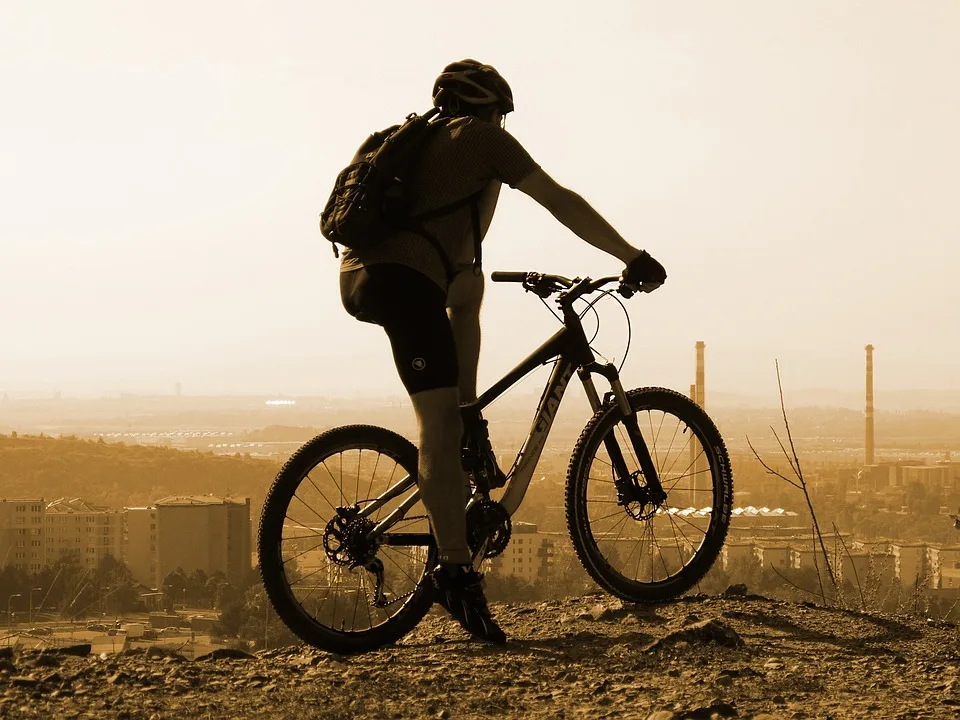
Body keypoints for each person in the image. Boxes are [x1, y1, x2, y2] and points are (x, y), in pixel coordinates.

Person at [339, 59, 667, 644]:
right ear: (490, 110)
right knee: (435, 431)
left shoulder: (408, 142)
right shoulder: (482, 140)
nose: (507, 125)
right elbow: (559, 199)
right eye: (504, 114)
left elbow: (464, 282)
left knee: (469, 291)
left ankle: (468, 417)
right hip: (404, 282)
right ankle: (456, 574)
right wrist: (630, 255)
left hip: (369, 274)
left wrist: (472, 410)